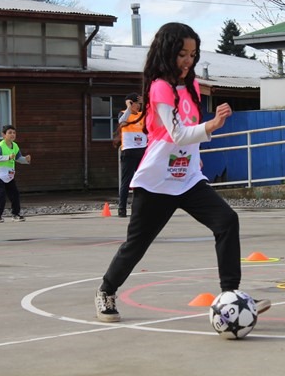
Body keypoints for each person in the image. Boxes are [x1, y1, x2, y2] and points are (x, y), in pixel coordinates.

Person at [95, 22, 270, 322]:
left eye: (193, 54)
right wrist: (213, 126)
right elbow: (176, 134)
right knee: (137, 244)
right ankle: (106, 290)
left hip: (188, 178)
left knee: (227, 221)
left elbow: (191, 135)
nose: (188, 61)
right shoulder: (159, 87)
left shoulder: (191, 87)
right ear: (167, 53)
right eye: (182, 54)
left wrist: (195, 159)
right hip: (157, 181)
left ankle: (231, 295)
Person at [0, 124, 31, 223]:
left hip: (9, 175)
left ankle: (16, 215)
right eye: (9, 133)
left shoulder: (15, 146)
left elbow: (18, 158)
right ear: (3, 135)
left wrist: (26, 160)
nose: (12, 135)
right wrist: (8, 157)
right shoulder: (0, 145)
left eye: (14, 133)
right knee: (1, 194)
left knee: (15, 194)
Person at [116, 93, 147, 217]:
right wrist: (128, 107)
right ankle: (122, 208)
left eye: (140, 104)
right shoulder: (123, 114)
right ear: (131, 103)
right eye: (137, 103)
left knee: (142, 182)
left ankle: (141, 208)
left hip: (142, 151)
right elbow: (122, 122)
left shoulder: (142, 116)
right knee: (126, 181)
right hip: (128, 151)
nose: (139, 106)